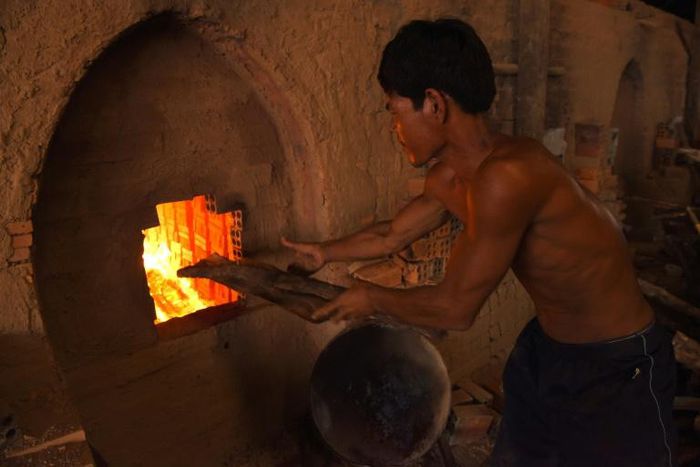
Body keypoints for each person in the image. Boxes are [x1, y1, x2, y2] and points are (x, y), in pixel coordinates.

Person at [282, 18, 676, 467]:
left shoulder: (508, 175)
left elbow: (456, 310)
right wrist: (325, 252)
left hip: (617, 364)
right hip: (546, 351)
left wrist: (370, 296)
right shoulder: (451, 175)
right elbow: (392, 234)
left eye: (395, 110)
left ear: (433, 104)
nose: (394, 127)